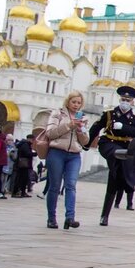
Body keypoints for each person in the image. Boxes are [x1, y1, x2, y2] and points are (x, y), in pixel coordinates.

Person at [87, 85, 135, 226]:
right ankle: (122, 155)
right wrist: (87, 143)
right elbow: (96, 128)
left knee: (115, 179)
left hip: (125, 146)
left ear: (132, 102)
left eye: (128, 100)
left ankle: (104, 216)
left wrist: (124, 128)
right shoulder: (109, 114)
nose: (125, 101)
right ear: (120, 99)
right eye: (123, 99)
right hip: (109, 144)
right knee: (115, 153)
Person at [44, 91, 91, 229]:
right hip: (57, 152)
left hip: (74, 155)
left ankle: (70, 217)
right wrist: (69, 125)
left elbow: (85, 141)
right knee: (55, 186)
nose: (76, 105)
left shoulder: (82, 117)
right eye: (74, 102)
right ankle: (51, 218)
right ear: (68, 102)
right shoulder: (57, 114)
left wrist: (80, 130)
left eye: (79, 103)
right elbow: (50, 133)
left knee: (71, 185)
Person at [11, 133, 35, 197]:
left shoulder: (25, 144)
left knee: (24, 179)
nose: (33, 141)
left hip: (24, 164)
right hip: (23, 164)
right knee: (20, 179)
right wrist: (34, 154)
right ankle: (15, 192)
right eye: (32, 140)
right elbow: (27, 153)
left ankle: (23, 192)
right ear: (29, 139)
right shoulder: (25, 144)